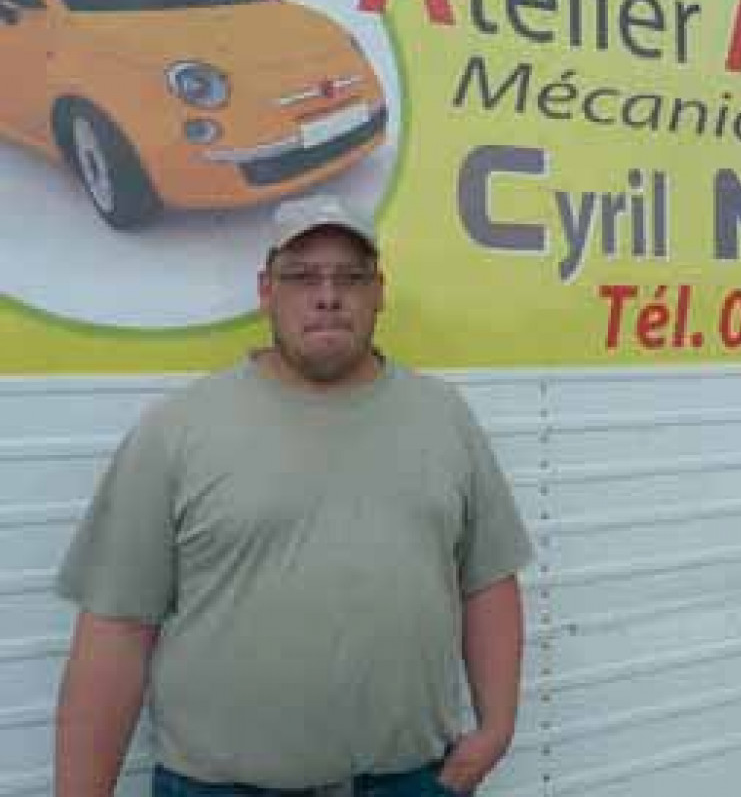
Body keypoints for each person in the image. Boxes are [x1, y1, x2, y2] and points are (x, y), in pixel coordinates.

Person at [54, 194, 532, 797]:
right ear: (266, 290)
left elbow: (487, 580)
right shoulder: (178, 431)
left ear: (379, 291)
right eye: (302, 275)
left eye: (350, 277)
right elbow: (115, 633)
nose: (327, 294)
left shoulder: (445, 419)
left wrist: (497, 729)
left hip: (410, 781)